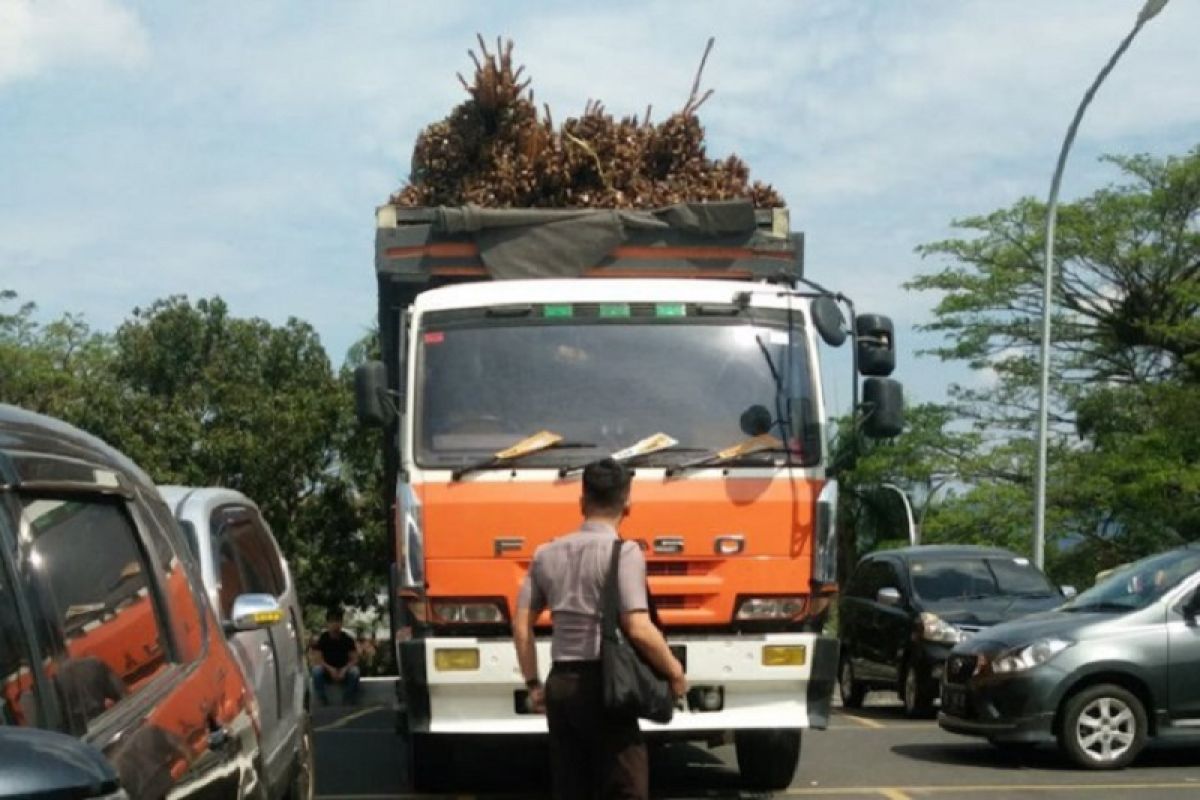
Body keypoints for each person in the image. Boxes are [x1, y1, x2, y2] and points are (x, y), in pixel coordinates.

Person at [514, 458, 687, 800]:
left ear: (582, 502)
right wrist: (674, 671)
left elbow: (522, 625)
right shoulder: (624, 553)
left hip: (561, 684)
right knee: (628, 787)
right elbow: (637, 625)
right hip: (606, 686)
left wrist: (534, 683)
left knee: (572, 787)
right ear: (628, 505)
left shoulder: (546, 553)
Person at [310, 609, 360, 705]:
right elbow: (317, 659)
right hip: (327, 670)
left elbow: (354, 659)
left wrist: (344, 669)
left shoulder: (347, 639)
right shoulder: (322, 639)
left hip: (344, 671)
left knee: (355, 672)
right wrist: (330, 669)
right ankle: (322, 700)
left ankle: (348, 699)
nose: (335, 625)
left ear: (341, 623)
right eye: (332, 621)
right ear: (327, 623)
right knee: (316, 671)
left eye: (337, 621)